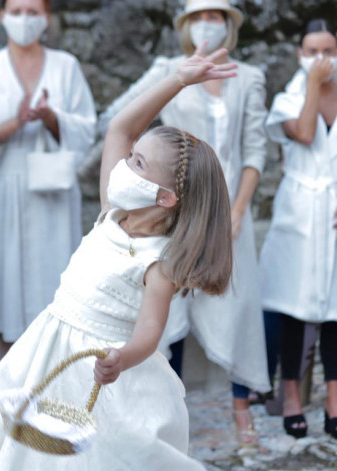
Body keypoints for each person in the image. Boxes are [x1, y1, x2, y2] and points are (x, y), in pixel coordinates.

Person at [0, 45, 236, 471]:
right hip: (46, 353)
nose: (125, 164)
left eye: (138, 164)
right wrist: (177, 79)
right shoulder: (113, 212)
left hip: (99, 373)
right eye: (130, 158)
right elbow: (120, 130)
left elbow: (150, 329)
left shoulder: (158, 261)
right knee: (16, 447)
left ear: (165, 198)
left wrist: (122, 359)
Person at [98, 0, 269, 446]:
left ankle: (240, 410)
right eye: (197, 17)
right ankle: (158, 408)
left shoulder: (249, 77)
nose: (206, 25)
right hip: (172, 208)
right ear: (185, 25)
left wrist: (236, 211)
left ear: (229, 25)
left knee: (235, 300)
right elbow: (121, 115)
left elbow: (255, 152)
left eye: (215, 17)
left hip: (231, 210)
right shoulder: (167, 68)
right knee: (164, 306)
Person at [260, 18, 337, 440]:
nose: (321, 58)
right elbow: (303, 131)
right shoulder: (290, 98)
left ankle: (335, 399)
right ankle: (292, 395)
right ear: (300, 55)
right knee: (294, 308)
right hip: (299, 208)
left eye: (328, 50)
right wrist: (313, 83)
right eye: (312, 51)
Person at [0, 0, 97, 353]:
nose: (24, 19)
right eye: (16, 11)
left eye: (33, 11)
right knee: (6, 296)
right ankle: (10, 389)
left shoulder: (66, 66)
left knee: (54, 287)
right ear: (1, 16)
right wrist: (14, 123)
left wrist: (49, 117)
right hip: (3, 189)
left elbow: (86, 128)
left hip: (53, 193)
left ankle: (54, 384)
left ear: (46, 17)